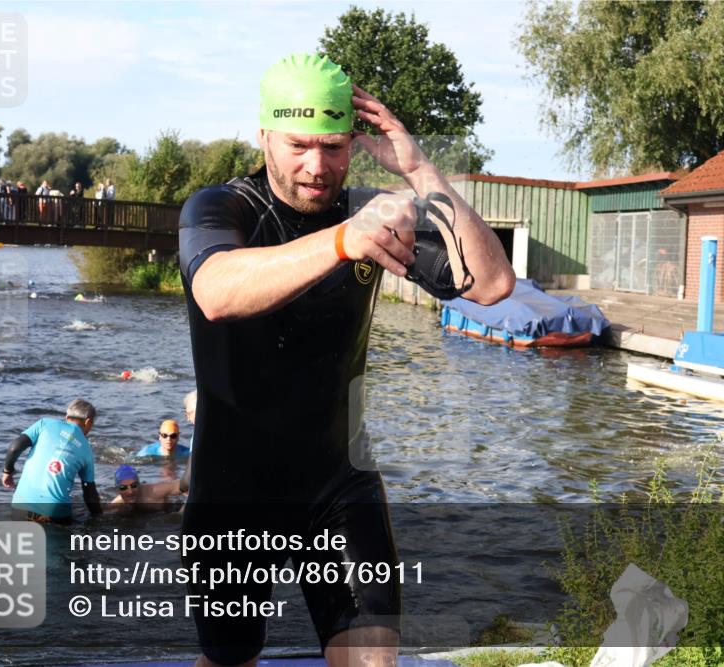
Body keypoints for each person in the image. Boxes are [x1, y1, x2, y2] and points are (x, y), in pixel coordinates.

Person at [177, 53, 514, 667]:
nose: (316, 166)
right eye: (298, 145)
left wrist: (417, 168)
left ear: (354, 143)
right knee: (230, 661)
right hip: (233, 491)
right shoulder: (221, 209)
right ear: (264, 137)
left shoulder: (375, 213)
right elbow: (217, 292)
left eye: (333, 147)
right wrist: (341, 241)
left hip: (337, 483)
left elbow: (490, 283)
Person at [1, 399, 102, 524]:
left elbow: (14, 447)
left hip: (22, 505)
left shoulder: (44, 423)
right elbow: (89, 493)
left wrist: (8, 471)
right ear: (88, 422)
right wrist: (99, 519)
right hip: (55, 512)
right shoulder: (86, 450)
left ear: (67, 416)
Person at [107, 464, 184, 512]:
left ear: (139, 485)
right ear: (117, 490)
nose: (130, 491)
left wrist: (182, 512)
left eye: (134, 486)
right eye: (123, 488)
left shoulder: (154, 491)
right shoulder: (117, 504)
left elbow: (186, 484)